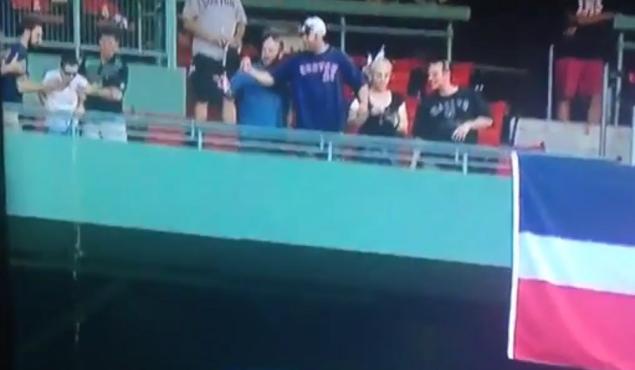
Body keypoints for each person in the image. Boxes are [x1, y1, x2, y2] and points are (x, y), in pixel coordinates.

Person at [241, 16, 369, 133]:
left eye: (307, 35)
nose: (304, 39)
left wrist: (363, 103)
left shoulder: (338, 58)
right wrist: (251, 71)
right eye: (303, 35)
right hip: (304, 130)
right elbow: (271, 78)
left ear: (318, 36)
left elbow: (360, 83)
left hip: (333, 131)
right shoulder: (296, 61)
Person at [182, 0, 247, 122]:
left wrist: (237, 38)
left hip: (227, 55)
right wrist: (211, 37)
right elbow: (187, 22)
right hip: (204, 53)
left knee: (229, 95)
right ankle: (199, 137)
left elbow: (242, 22)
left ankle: (228, 138)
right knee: (202, 97)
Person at [555, 0, 613, 127]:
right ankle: (563, 133)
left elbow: (613, 15)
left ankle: (592, 135)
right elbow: (572, 18)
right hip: (570, 51)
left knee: (596, 96)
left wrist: (583, 22)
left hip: (596, 52)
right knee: (566, 95)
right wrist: (600, 18)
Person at [413, 60, 492, 144]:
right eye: (429, 75)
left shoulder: (470, 95)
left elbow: (487, 120)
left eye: (435, 74)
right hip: (437, 153)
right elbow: (419, 136)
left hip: (464, 153)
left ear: (446, 74)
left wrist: (468, 125)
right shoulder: (426, 102)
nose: (430, 78)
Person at [1, 15, 59, 128]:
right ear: (27, 31)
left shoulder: (14, 49)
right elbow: (21, 85)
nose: (40, 41)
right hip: (9, 111)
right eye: (38, 35)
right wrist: (45, 86)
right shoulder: (21, 52)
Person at [221, 33, 289, 128]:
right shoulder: (244, 73)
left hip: (276, 139)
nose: (266, 54)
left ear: (280, 53)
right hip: (248, 137)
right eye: (264, 49)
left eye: (271, 50)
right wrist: (231, 131)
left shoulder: (285, 76)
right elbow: (228, 97)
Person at [80, 26, 128, 141]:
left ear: (117, 46)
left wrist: (92, 90)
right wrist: (103, 90)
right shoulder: (88, 62)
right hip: (90, 117)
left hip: (113, 118)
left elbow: (116, 95)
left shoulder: (121, 66)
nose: (106, 45)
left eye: (110, 43)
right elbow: (80, 85)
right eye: (104, 42)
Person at [348, 58, 408, 137]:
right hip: (366, 146)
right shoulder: (361, 98)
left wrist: (392, 120)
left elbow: (404, 129)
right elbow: (350, 126)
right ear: (371, 75)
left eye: (386, 75)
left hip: (390, 146)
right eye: (379, 75)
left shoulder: (398, 99)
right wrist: (364, 116)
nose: (383, 80)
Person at [40, 53, 89, 135]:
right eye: (67, 73)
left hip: (71, 125)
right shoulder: (50, 76)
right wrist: (45, 104)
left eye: (74, 74)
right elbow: (40, 91)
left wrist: (81, 103)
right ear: (61, 69)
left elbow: (83, 99)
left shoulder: (80, 80)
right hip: (52, 123)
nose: (71, 77)